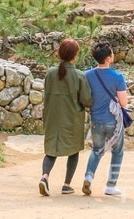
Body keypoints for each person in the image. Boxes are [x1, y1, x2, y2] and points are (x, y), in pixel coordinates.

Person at [40, 39, 92, 197]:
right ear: (75, 55)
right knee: (73, 150)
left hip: (52, 116)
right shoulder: (79, 75)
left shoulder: (50, 73)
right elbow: (86, 99)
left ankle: (44, 177)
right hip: (72, 118)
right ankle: (67, 185)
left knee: (51, 150)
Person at [82, 42, 127, 197]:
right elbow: (123, 103)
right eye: (112, 53)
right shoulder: (117, 77)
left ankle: (89, 176)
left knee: (96, 150)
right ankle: (110, 186)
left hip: (96, 119)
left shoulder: (87, 75)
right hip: (113, 121)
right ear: (108, 58)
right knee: (118, 152)